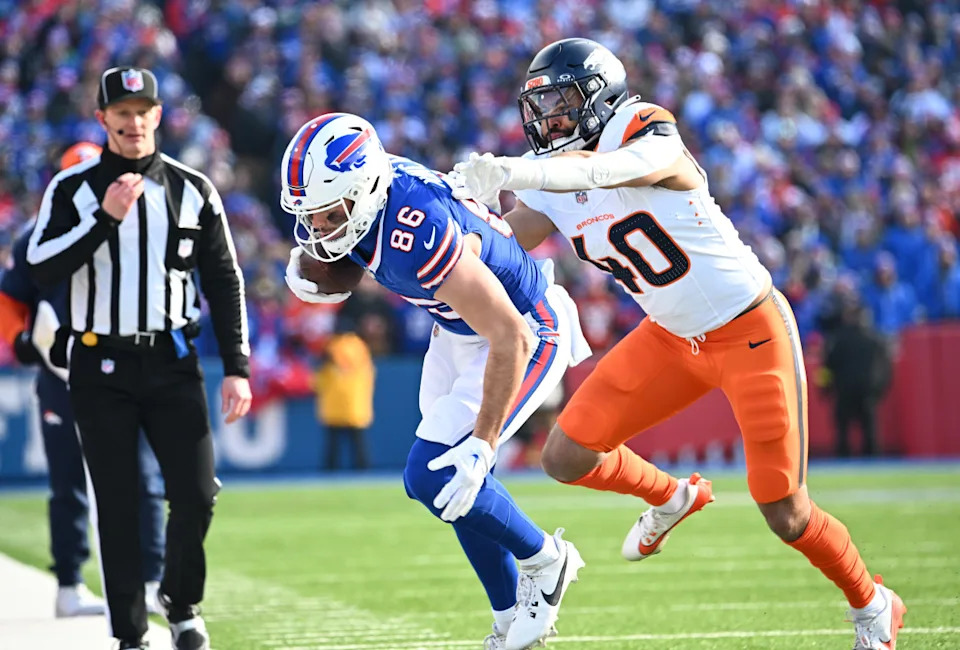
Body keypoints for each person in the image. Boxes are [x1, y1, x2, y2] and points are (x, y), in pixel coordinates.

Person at [451, 38, 906, 650]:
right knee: (565, 456)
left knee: (786, 512)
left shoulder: (644, 131)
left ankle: (874, 604)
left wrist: (513, 170)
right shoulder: (551, 177)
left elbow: (603, 171)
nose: (548, 121)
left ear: (599, 97)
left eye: (560, 105)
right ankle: (672, 496)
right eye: (540, 108)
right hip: (670, 336)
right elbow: (497, 246)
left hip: (750, 330)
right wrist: (409, 222)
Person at [281, 112, 591, 650]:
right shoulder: (374, 196)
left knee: (434, 473)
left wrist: (484, 444)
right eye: (312, 217)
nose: (320, 230)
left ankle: (546, 558)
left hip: (522, 331)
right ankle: (507, 618)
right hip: (459, 330)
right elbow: (357, 256)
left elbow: (511, 334)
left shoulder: (414, 229)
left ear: (363, 188)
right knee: (452, 489)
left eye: (328, 214)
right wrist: (323, 271)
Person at [26, 67, 252, 650]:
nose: (133, 122)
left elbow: (224, 279)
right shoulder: (72, 189)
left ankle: (179, 601)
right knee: (119, 503)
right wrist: (104, 220)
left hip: (173, 362)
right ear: (102, 119)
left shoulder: (192, 187)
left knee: (198, 492)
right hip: (99, 366)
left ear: (158, 115)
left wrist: (236, 366)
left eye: (142, 110)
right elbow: (37, 268)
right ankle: (131, 635)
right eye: (120, 112)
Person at [0, 141, 166, 618]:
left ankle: (152, 579)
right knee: (68, 478)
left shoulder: (142, 229)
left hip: (127, 366)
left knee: (144, 475)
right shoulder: (37, 235)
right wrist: (21, 341)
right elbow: (10, 298)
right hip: (63, 370)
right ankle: (70, 583)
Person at [823, 301, 893, 457]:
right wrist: (880, 389)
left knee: (843, 431)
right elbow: (887, 369)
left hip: (844, 391)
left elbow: (827, 366)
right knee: (870, 430)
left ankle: (843, 458)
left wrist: (824, 388)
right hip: (867, 391)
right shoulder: (875, 339)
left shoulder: (839, 339)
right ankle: (873, 460)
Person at [314, 325, 374, 471]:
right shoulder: (360, 346)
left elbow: (321, 372)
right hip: (355, 402)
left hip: (334, 402)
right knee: (357, 442)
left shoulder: (333, 345)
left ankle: (330, 471)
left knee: (334, 444)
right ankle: (363, 471)